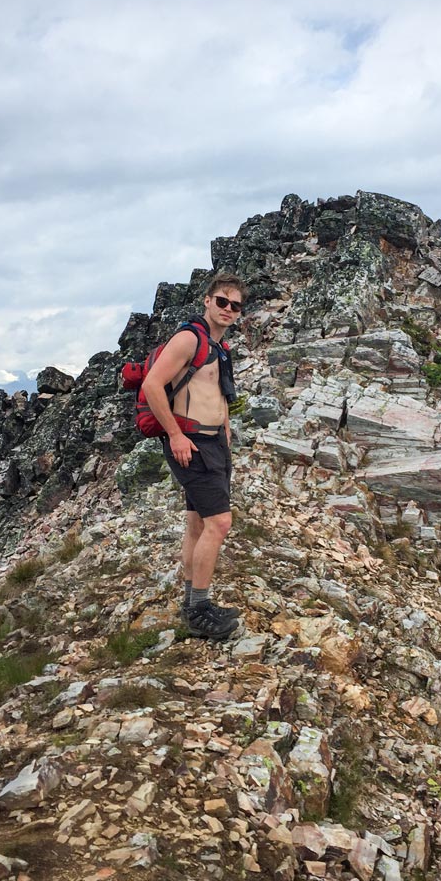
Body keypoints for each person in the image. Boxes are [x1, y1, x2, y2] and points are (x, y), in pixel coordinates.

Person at [141, 273, 246, 641]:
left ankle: (192, 602)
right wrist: (175, 435)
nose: (228, 310)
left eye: (235, 305)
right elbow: (152, 384)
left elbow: (216, 392)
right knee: (220, 524)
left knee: (197, 525)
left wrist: (226, 426)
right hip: (190, 443)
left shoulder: (219, 347)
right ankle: (199, 611)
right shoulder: (189, 339)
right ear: (207, 300)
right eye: (222, 301)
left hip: (212, 442)